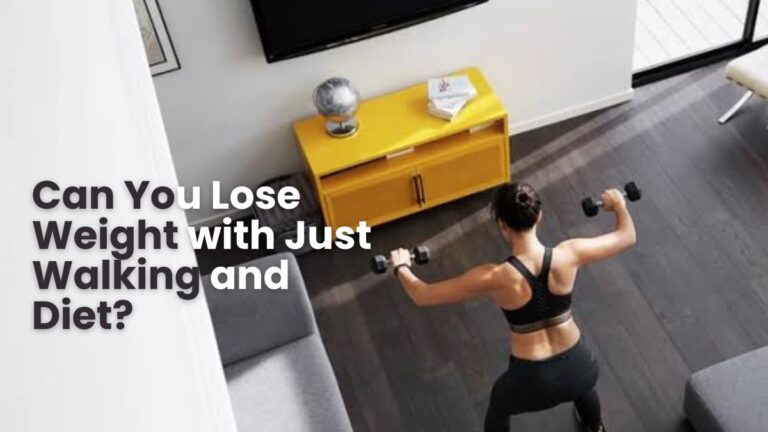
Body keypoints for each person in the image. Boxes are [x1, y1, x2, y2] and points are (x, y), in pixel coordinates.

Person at [390, 182, 636, 432]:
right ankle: (595, 428)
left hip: (532, 381)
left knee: (499, 404)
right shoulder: (569, 254)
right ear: (539, 216)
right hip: (581, 366)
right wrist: (618, 205)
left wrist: (401, 266)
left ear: (502, 225)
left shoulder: (494, 277)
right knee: (580, 385)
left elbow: (422, 294)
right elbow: (627, 236)